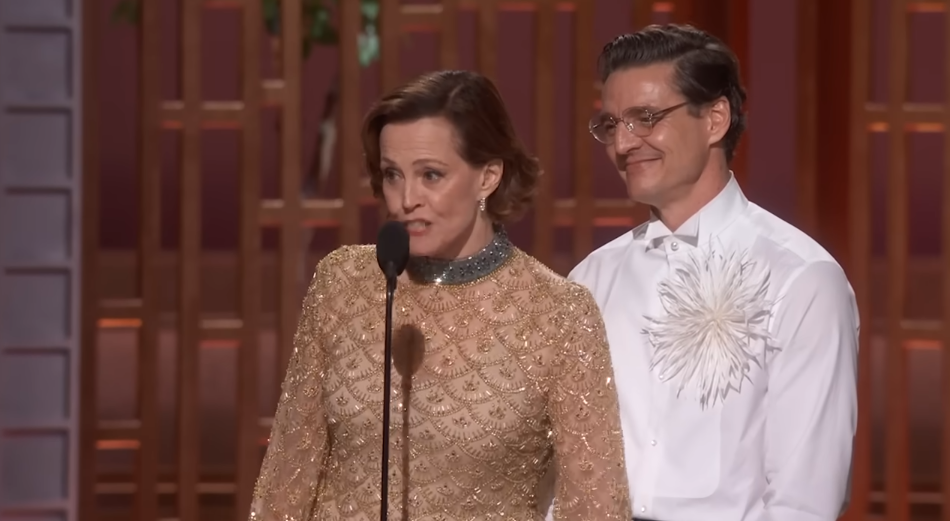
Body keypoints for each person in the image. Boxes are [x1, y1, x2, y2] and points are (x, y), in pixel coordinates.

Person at [248, 69, 632, 521]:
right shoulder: (343, 281)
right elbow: (285, 481)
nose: (406, 198)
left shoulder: (560, 315)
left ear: (488, 176)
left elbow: (595, 507)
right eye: (393, 175)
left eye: (431, 175)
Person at [567, 24, 859, 521]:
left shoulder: (801, 278)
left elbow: (803, 501)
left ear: (715, 119)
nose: (623, 142)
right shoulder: (592, 279)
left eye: (646, 118)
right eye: (611, 124)